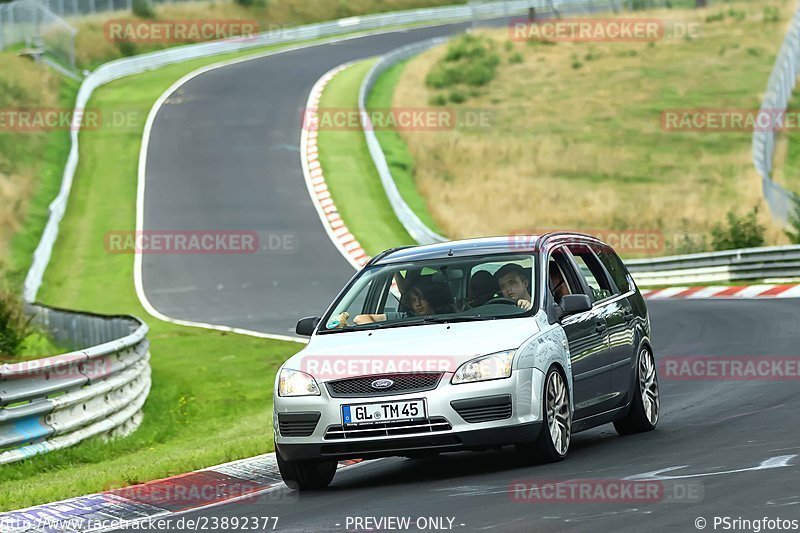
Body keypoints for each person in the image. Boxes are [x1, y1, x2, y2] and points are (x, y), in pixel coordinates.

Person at [348, 278, 454, 325]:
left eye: (421, 298)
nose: (418, 304)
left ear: (430, 298)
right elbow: (359, 318)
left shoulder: (448, 316)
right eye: (413, 300)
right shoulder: (403, 318)